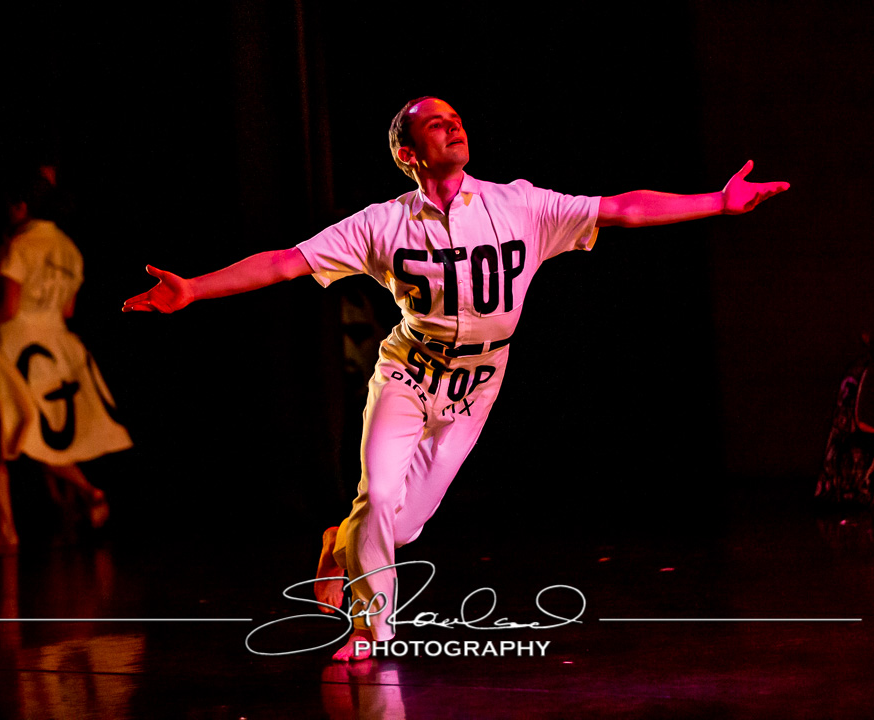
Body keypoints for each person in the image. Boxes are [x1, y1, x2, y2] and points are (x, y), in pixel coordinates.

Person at [123, 96, 790, 660]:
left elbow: (623, 209)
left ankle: (339, 543)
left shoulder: (519, 205)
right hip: (407, 375)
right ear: (408, 153)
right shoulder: (383, 223)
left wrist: (717, 203)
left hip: (477, 386)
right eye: (435, 124)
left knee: (401, 526)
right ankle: (371, 629)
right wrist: (195, 289)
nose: (453, 127)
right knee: (377, 498)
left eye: (456, 119)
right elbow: (285, 262)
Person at [0, 175, 132, 555]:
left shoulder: (20, 246)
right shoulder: (69, 248)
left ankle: (16, 526)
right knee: (36, 437)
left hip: (13, 348)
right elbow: (67, 310)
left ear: (21, 206)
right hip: (56, 345)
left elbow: (8, 309)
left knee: (3, 440)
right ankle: (82, 495)